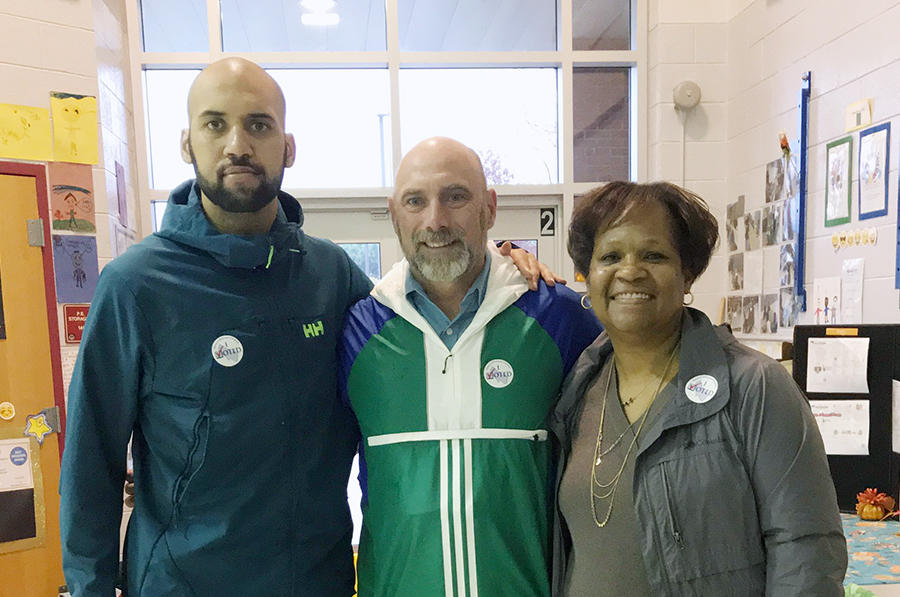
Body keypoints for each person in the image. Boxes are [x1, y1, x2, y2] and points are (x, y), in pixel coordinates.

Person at [60, 59, 553, 596]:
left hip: (320, 583)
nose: (237, 145)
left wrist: (498, 266)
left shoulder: (329, 275)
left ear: (288, 147)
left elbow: (421, 303)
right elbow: (90, 465)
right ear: (186, 143)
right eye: (215, 124)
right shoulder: (135, 286)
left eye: (258, 124)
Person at [551, 181, 847, 596]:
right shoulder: (576, 389)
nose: (630, 271)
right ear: (588, 275)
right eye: (610, 256)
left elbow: (806, 549)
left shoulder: (754, 386)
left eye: (654, 255)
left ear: (687, 273)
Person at [339, 137, 602, 596]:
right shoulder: (356, 331)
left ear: (490, 208)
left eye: (455, 196)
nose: (435, 220)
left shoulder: (559, 318)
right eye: (415, 201)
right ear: (394, 214)